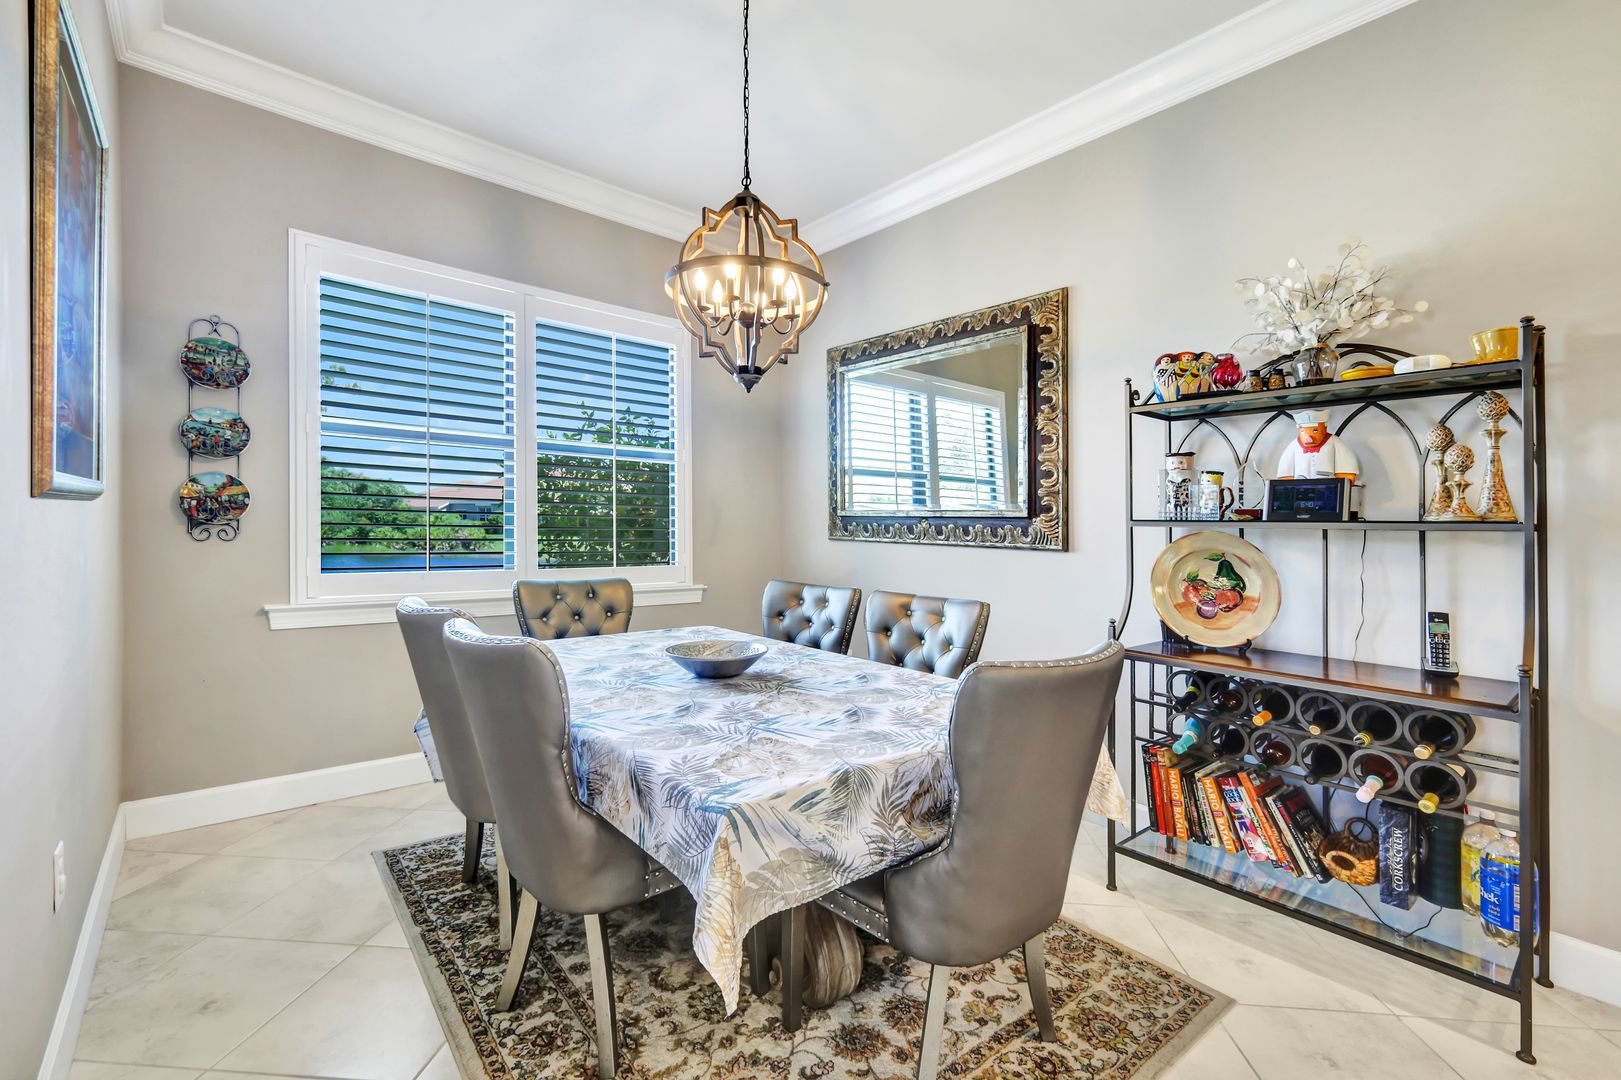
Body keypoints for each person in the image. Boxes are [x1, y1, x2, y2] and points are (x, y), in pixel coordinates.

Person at [1275, 409, 1360, 481]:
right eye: (1303, 431)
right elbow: (1286, 465)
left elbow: (1345, 460)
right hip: (1300, 485)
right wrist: (1287, 480)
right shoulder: (1295, 445)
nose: (1309, 437)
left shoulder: (1334, 441)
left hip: (1327, 484)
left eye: (1315, 430)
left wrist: (1344, 479)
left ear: (1324, 428)